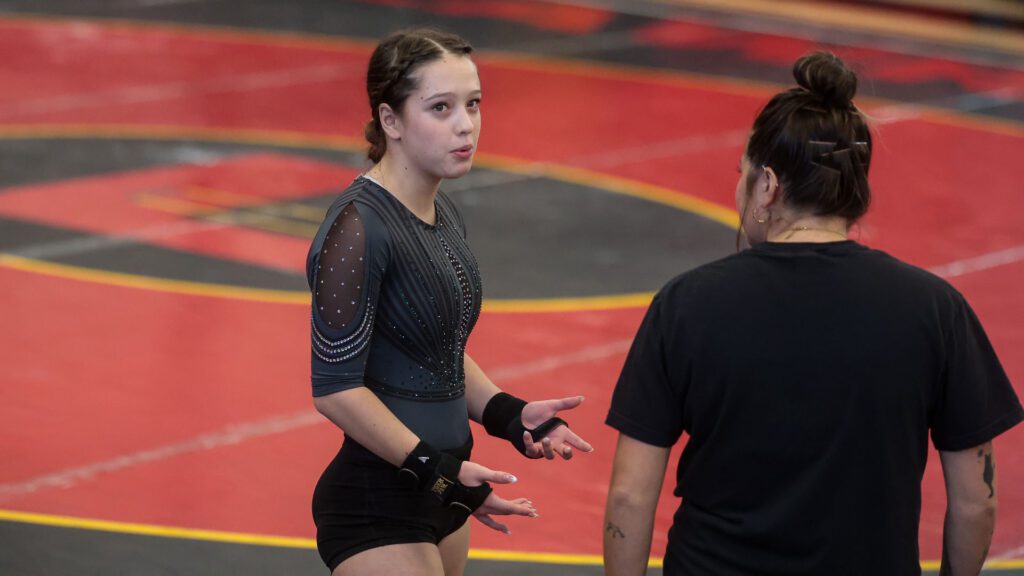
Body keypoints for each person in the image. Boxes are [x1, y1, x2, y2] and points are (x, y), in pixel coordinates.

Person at [603, 51, 1022, 576]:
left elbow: (628, 497)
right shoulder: (934, 309)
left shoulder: (686, 304)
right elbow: (975, 500)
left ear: (768, 186)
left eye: (743, 175)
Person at [306, 28, 593, 576]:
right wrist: (436, 472)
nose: (466, 124)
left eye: (473, 104)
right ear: (390, 121)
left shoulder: (444, 214)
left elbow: (434, 348)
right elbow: (336, 389)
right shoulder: (357, 229)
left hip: (444, 489)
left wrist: (510, 414)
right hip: (379, 503)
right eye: (440, 108)